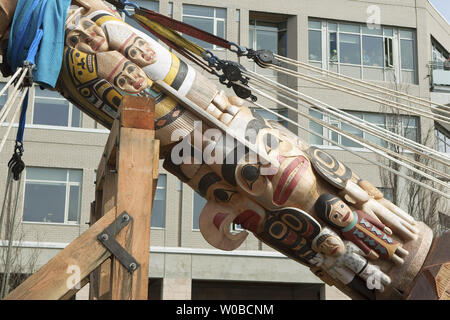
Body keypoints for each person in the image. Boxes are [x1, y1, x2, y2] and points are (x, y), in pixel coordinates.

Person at [314, 193, 409, 265]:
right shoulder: (346, 232)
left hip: (381, 235)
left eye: (342, 206)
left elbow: (372, 221)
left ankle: (402, 251)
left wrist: (383, 227)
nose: (342, 214)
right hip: (373, 244)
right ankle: (396, 259)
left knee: (391, 242)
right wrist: (368, 251)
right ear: (331, 222)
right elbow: (358, 242)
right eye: (335, 216)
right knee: (386, 252)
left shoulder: (359, 214)